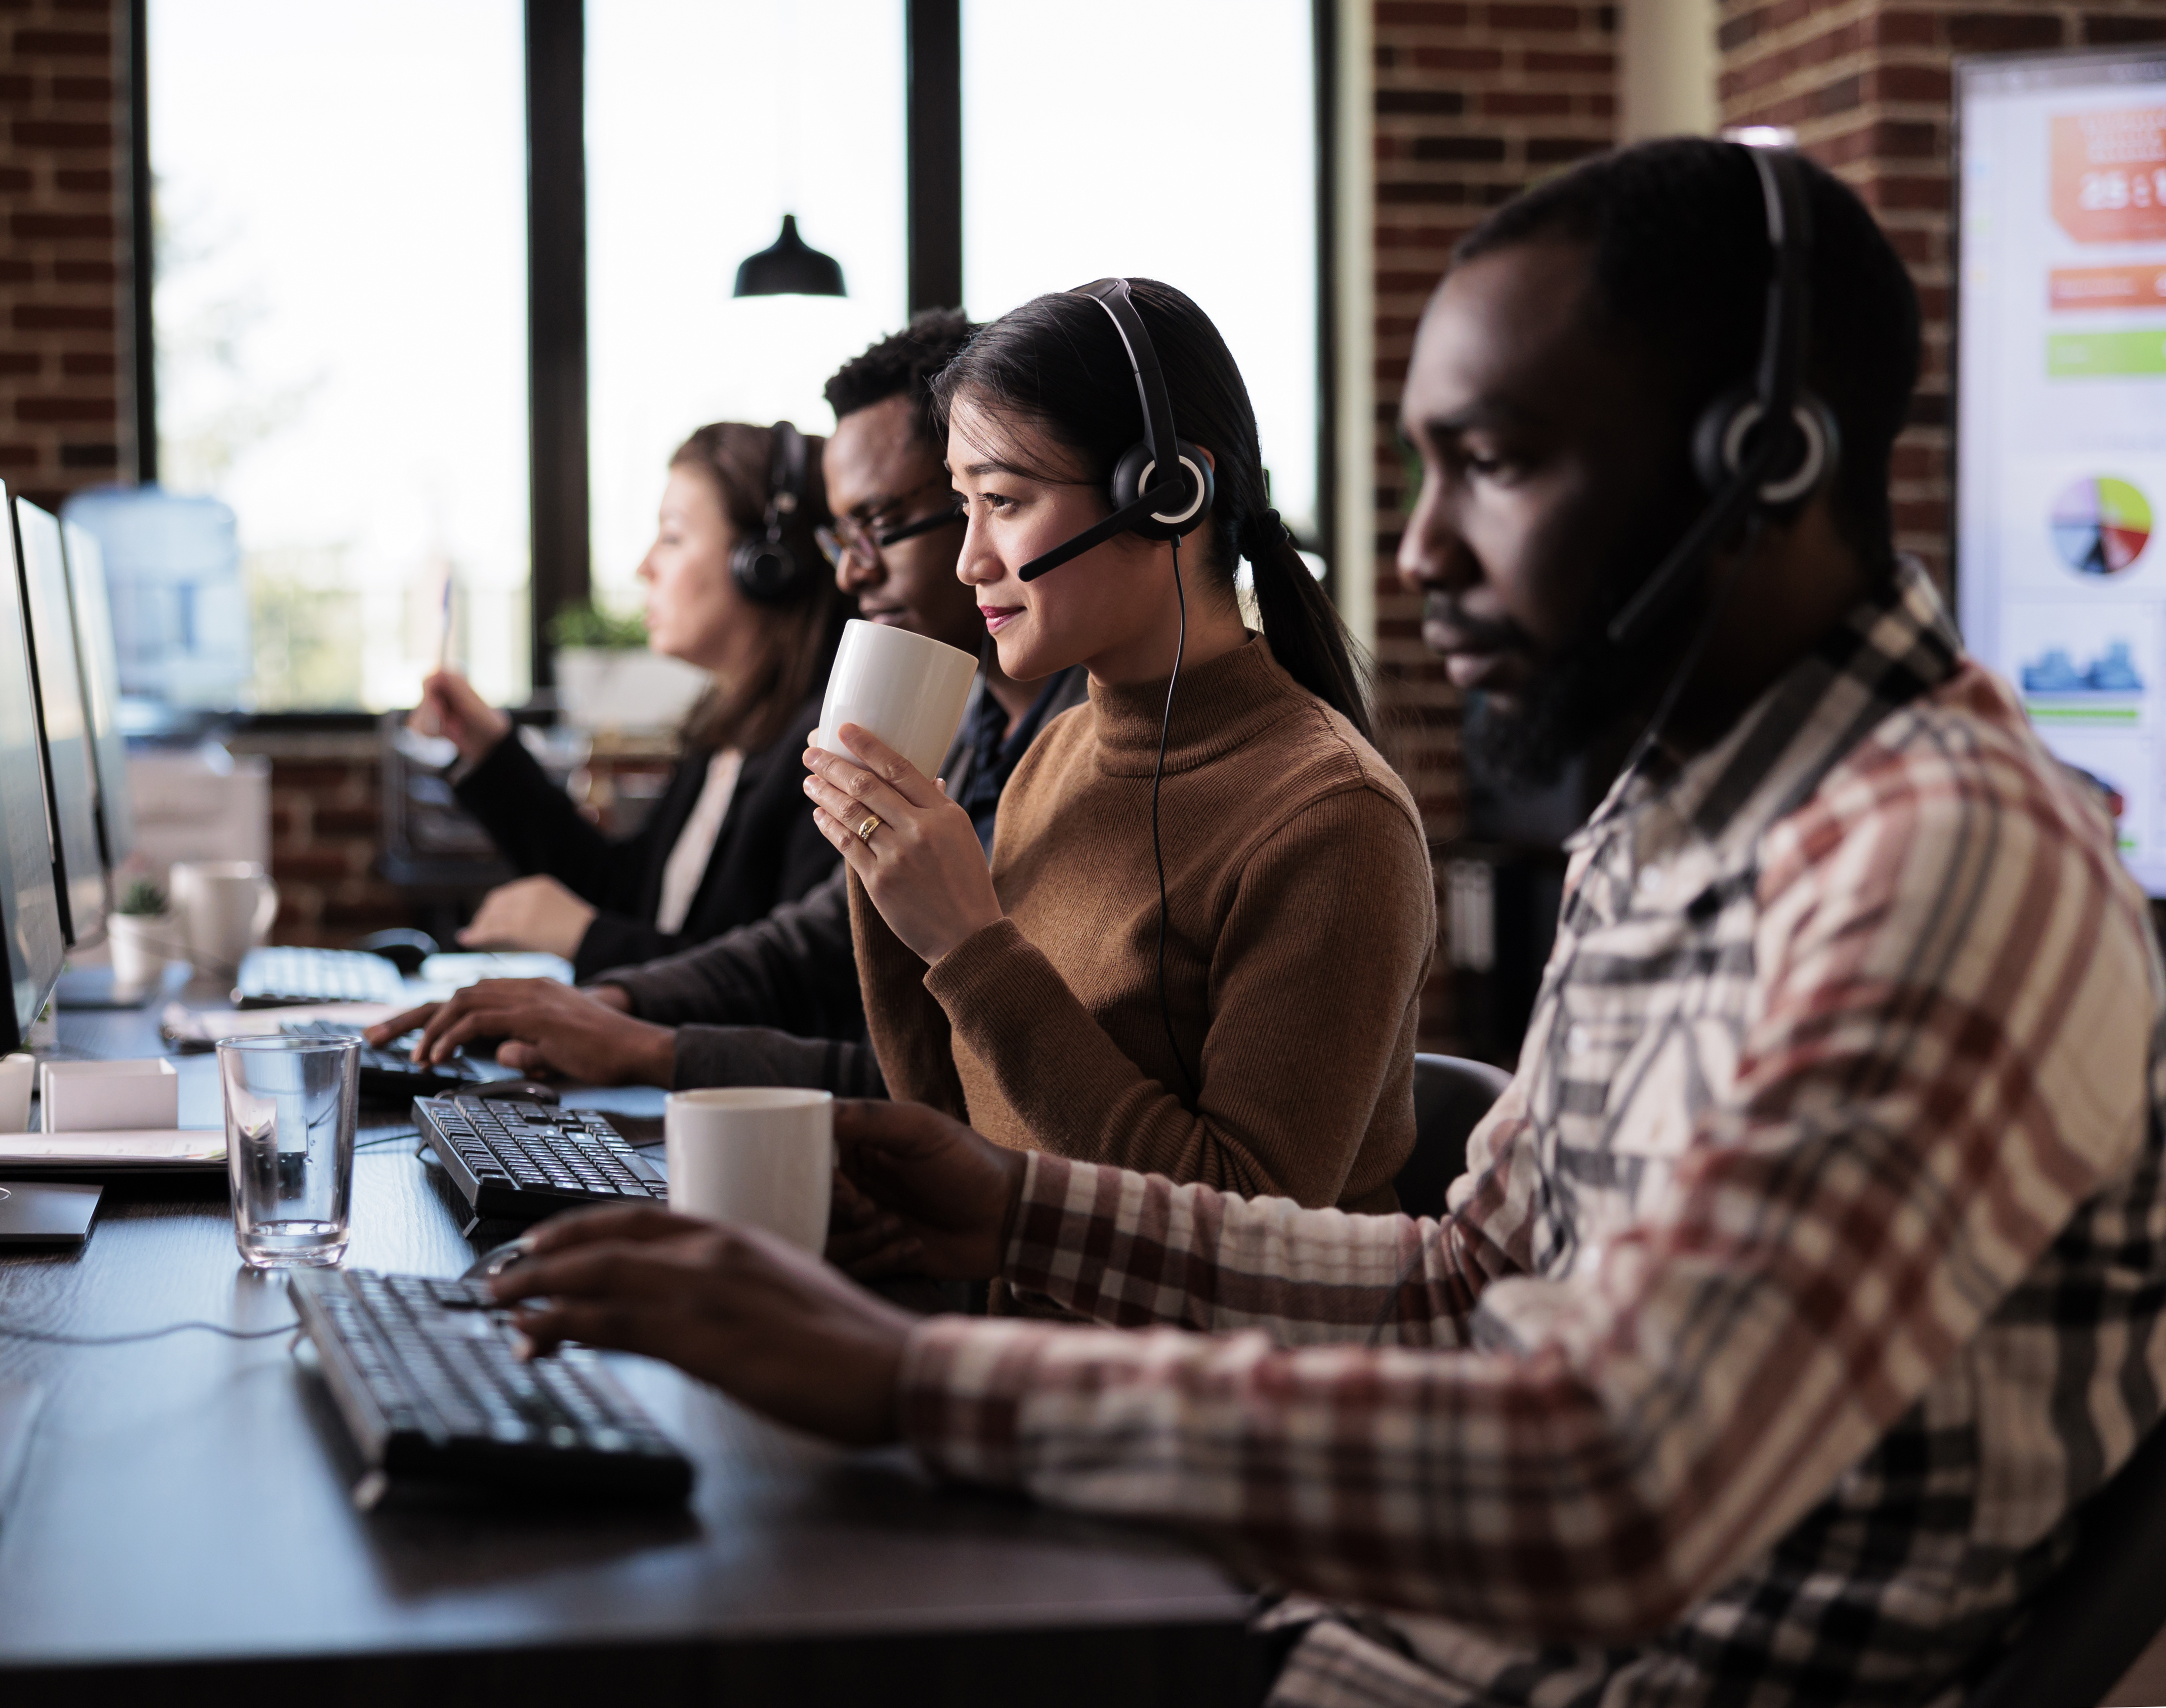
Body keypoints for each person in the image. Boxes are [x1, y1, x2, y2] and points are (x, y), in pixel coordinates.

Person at [482, 141, 2166, 1705]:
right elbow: (1468, 1276)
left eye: (1493, 464)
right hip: (1458, 1628)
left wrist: (915, 1384)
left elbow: (1617, 1482)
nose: (1422, 547)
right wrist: (1020, 1200)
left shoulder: (1944, 859)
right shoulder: (1672, 820)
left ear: (1764, 461)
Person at [808, 279, 1433, 1207]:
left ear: (1164, 493)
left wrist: (969, 944)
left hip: (1215, 1355)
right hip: (1018, 1339)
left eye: (1005, 502)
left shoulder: (1333, 823)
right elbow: (968, 1146)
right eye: (962, 503)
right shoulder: (1053, 757)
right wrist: (880, 863)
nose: (968, 560)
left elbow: (1242, 1228)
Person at [371, 315, 1087, 1093]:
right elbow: (804, 944)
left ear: (763, 566)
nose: (851, 572)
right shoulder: (969, 731)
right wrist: (606, 1003)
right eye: (840, 535)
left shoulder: (918, 733)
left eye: (1001, 501)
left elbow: (901, 1042)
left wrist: (624, 1010)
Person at [410, 422, 851, 981]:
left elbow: (776, 986)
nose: (644, 566)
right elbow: (632, 894)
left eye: (672, 537)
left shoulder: (823, 751)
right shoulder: (728, 735)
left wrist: (584, 937)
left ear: (765, 563)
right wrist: (489, 746)